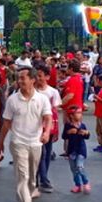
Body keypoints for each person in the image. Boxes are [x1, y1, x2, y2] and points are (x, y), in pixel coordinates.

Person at [0, 67, 52, 202]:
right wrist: (0, 142)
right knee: (23, 176)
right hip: (18, 142)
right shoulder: (13, 100)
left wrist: (46, 132)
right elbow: (6, 122)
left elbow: (47, 118)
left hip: (36, 142)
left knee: (32, 179)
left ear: (32, 80)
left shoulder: (42, 99)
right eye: (18, 78)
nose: (19, 81)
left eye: (23, 78)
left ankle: (24, 196)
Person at [35, 65, 61, 193]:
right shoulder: (33, 91)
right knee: (42, 152)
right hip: (36, 125)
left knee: (47, 151)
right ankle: (43, 179)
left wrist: (55, 129)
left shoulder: (53, 92)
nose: (38, 78)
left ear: (47, 77)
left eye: (40, 75)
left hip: (49, 125)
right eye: (36, 75)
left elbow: (55, 110)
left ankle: (42, 176)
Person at [62, 105, 91, 194]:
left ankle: (86, 182)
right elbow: (64, 136)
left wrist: (86, 133)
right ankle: (78, 185)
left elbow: (87, 136)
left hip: (81, 150)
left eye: (80, 113)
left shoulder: (82, 125)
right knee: (74, 169)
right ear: (71, 115)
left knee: (79, 166)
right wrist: (69, 132)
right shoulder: (68, 125)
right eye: (78, 113)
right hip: (71, 150)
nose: (80, 115)